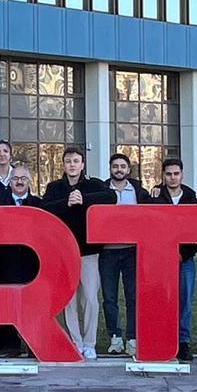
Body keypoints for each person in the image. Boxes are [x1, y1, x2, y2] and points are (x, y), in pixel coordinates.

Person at [43, 148, 113, 360]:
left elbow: (110, 197)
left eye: (76, 161)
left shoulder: (93, 185)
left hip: (88, 252)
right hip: (64, 253)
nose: (72, 165)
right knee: (69, 301)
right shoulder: (55, 187)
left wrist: (83, 199)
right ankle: (76, 342)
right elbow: (44, 208)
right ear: (63, 165)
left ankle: (90, 343)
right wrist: (67, 202)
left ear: (82, 164)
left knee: (90, 298)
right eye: (68, 161)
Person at [0, 166, 46, 356]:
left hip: (33, 262)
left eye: (23, 178)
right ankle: (9, 344)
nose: (20, 182)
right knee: (6, 303)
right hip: (6, 262)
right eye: (15, 179)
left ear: (29, 181)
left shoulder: (39, 204)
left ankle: (34, 344)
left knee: (33, 304)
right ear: (10, 182)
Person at [99, 152, 149, 354]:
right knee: (109, 298)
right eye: (115, 166)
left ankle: (133, 338)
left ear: (128, 169)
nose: (119, 170)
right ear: (110, 169)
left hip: (131, 252)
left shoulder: (139, 191)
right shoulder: (102, 190)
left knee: (133, 297)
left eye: (122, 166)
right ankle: (115, 338)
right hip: (107, 252)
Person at [152, 157, 197, 361]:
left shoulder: (191, 198)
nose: (172, 177)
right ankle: (162, 340)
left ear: (182, 174)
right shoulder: (154, 197)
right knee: (161, 300)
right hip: (161, 260)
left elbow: (196, 231)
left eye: (176, 174)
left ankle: (183, 342)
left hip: (185, 259)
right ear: (163, 175)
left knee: (185, 303)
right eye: (169, 174)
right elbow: (151, 228)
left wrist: (183, 254)